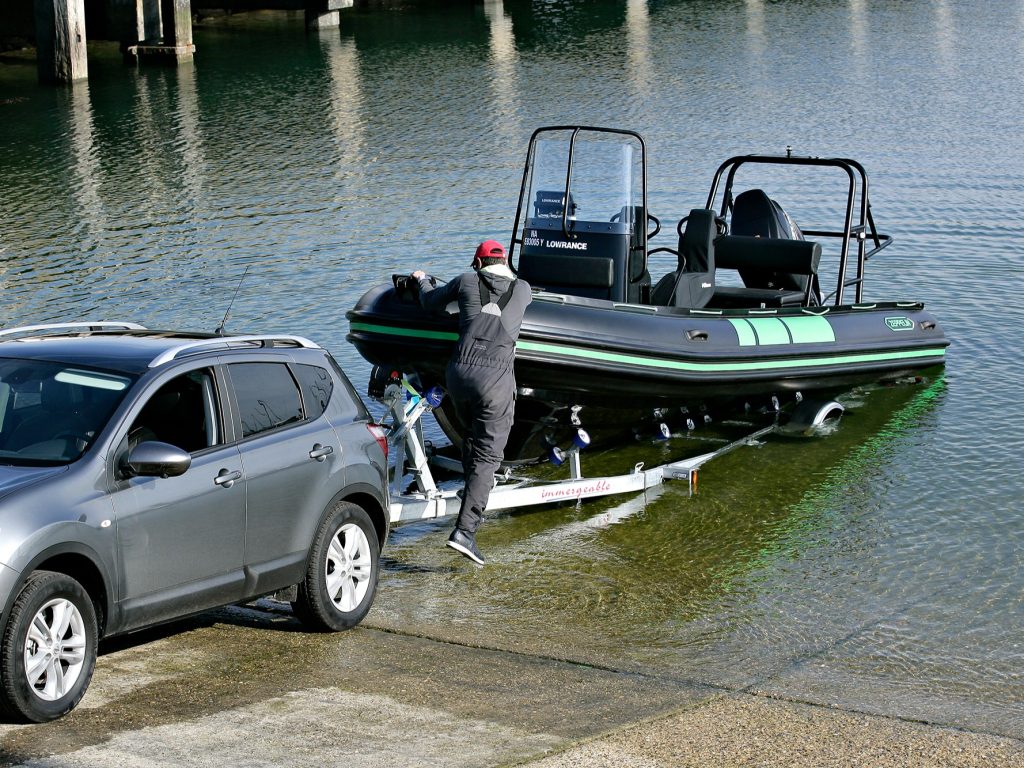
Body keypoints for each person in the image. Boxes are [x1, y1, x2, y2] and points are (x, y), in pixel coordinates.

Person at [411, 240, 532, 565]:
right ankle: (465, 532)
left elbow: (430, 302)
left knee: (471, 437)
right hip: (494, 382)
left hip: (459, 377)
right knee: (488, 456)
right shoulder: (522, 290)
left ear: (477, 264)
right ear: (504, 262)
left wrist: (422, 280)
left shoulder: (465, 282)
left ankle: (471, 490)